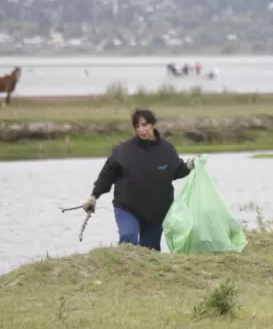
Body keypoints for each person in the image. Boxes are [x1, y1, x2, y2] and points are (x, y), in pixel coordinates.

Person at [81, 108, 196, 252]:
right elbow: (106, 176)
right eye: (137, 126)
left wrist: (188, 166)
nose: (141, 130)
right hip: (128, 208)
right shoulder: (123, 150)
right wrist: (93, 196)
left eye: (145, 125)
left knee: (150, 252)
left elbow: (176, 171)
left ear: (153, 125)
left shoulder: (167, 149)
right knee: (129, 238)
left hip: (156, 212)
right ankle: (122, 271)